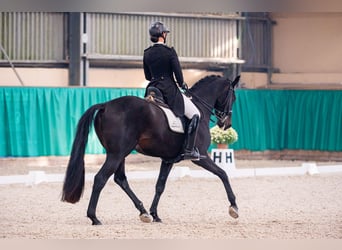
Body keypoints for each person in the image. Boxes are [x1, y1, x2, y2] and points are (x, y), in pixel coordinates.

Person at [143, 21, 201, 160]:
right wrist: (182, 85)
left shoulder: (147, 53)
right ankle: (188, 149)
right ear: (163, 35)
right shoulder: (169, 52)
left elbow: (147, 76)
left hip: (152, 89)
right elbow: (179, 76)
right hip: (168, 90)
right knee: (195, 114)